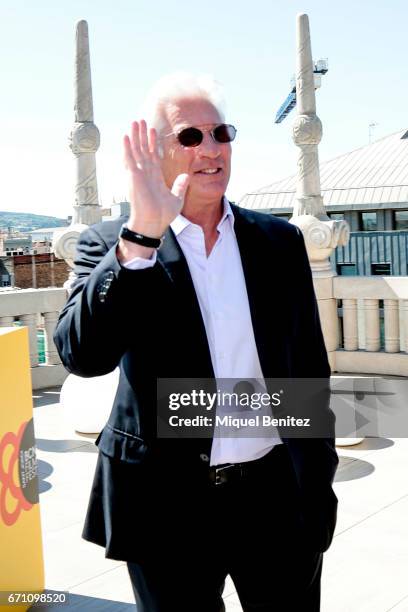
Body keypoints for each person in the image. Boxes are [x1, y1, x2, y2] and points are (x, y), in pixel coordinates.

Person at [54, 72, 339, 612]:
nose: (210, 150)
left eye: (221, 134)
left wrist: (317, 480)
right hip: (166, 505)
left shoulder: (279, 242)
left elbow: (306, 370)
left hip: (276, 494)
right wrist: (141, 237)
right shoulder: (112, 244)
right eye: (189, 137)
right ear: (153, 152)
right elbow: (83, 356)